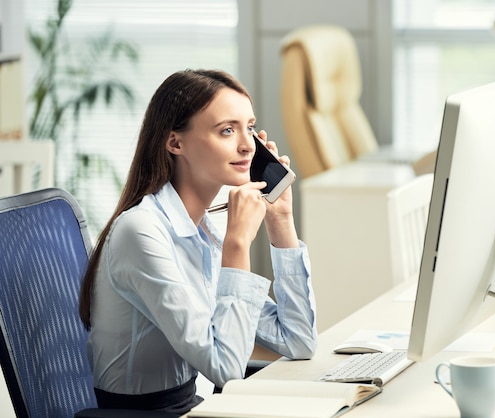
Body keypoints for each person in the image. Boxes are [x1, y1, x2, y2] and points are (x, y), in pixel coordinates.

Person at [78, 69, 318, 414]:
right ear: (175, 143)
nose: (247, 145)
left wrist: (280, 222)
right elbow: (227, 371)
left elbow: (298, 341)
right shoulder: (140, 232)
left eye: (249, 127)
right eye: (227, 130)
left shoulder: (205, 228)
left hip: (195, 409)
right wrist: (237, 245)